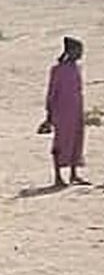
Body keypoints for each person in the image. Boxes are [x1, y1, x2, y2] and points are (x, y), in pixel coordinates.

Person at [44, 37, 87, 187]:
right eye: (78, 50)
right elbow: (51, 93)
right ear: (70, 51)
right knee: (61, 142)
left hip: (76, 110)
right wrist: (49, 115)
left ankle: (74, 174)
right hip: (61, 112)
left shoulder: (77, 68)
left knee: (76, 140)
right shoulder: (57, 70)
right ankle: (58, 176)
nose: (81, 54)